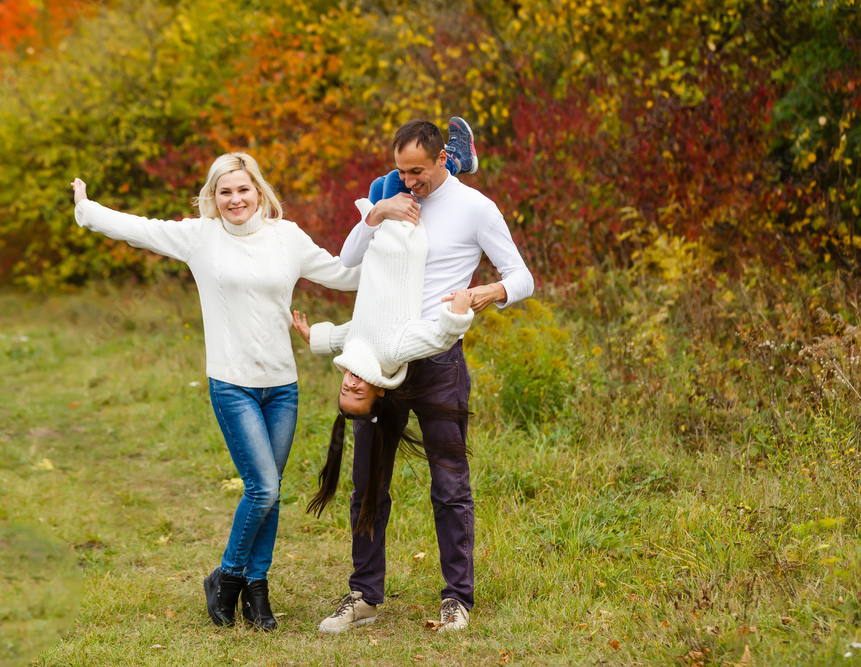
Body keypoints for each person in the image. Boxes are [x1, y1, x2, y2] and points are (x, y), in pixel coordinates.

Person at [69, 152, 360, 632]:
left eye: (243, 190)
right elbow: (136, 227)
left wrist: (384, 228)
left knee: (271, 492)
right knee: (262, 486)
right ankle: (227, 577)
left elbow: (346, 275)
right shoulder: (200, 236)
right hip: (232, 383)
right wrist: (87, 207)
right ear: (212, 197)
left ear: (259, 192)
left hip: (282, 385)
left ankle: (257, 589)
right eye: (224, 192)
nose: (235, 199)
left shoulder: (287, 238)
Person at [315, 119, 534, 634]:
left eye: (418, 171)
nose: (409, 181)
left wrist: (485, 294)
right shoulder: (391, 196)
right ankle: (364, 595)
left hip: (438, 363)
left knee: (450, 485)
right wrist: (378, 213)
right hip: (379, 362)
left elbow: (522, 276)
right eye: (400, 171)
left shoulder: (475, 208)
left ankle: (457, 597)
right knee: (368, 482)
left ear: (442, 160)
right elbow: (348, 262)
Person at [290, 196, 476, 541]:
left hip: (382, 238)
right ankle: (454, 162)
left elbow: (355, 329)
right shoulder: (393, 351)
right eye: (358, 392)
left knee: (383, 186)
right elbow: (436, 339)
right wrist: (457, 315)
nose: (350, 384)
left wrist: (316, 336)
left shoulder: (358, 350)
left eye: (345, 389)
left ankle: (434, 166)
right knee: (394, 182)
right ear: (379, 388)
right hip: (404, 240)